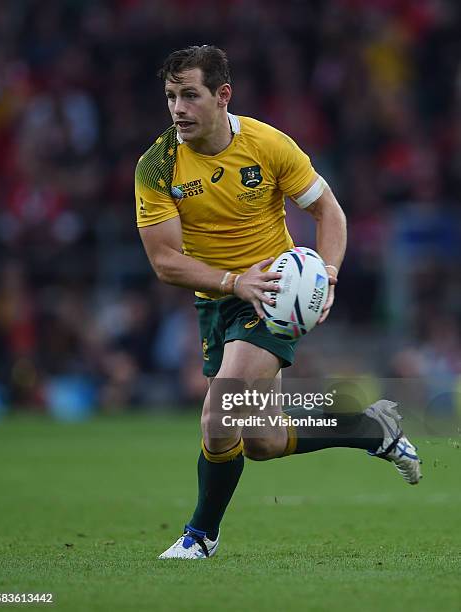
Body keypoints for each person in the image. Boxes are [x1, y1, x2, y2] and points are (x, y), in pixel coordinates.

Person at [135, 45, 421, 560]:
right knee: (262, 440)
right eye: (171, 96)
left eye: (190, 95)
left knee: (219, 413)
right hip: (220, 296)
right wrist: (230, 281)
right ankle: (365, 427)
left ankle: (199, 536)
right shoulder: (157, 167)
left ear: (223, 96)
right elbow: (165, 262)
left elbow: (329, 212)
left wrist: (327, 275)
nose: (178, 108)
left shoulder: (268, 145)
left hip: (274, 294)